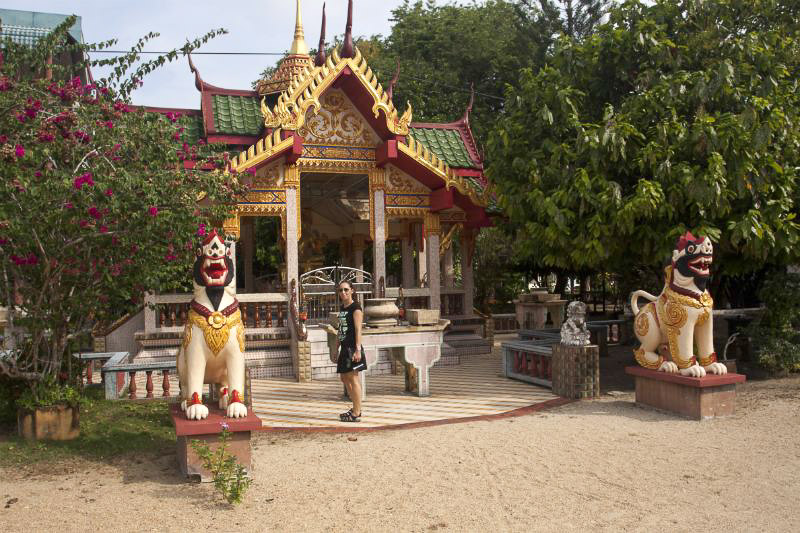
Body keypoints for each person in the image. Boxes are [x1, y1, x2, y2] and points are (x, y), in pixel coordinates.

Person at [335, 280, 365, 422]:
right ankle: (355, 408)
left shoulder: (356, 308)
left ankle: (357, 412)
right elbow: (340, 329)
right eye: (341, 290)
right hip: (344, 347)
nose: (343, 292)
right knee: (344, 378)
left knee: (353, 378)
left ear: (352, 290)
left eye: (346, 289)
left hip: (352, 348)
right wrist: (335, 348)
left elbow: (358, 330)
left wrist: (357, 350)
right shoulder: (343, 308)